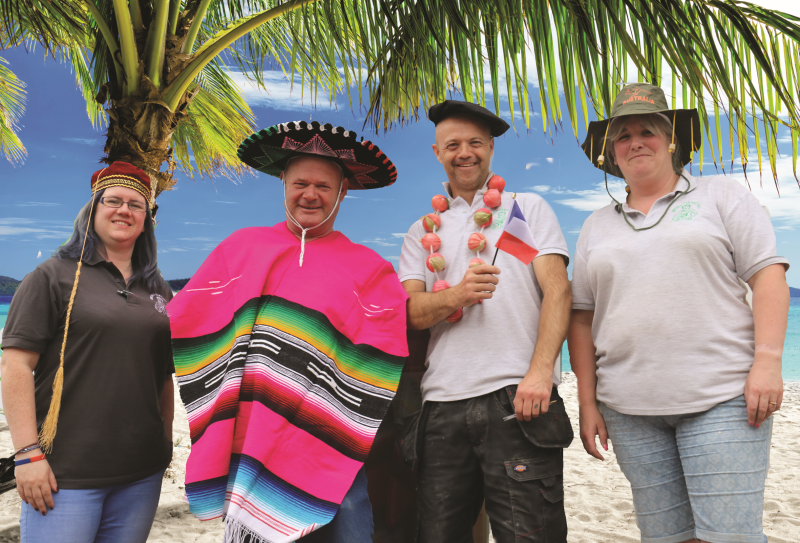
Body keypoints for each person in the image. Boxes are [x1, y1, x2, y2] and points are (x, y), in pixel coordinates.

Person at [569, 83, 790, 543]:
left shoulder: (721, 195)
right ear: (612, 151)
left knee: (730, 536)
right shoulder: (595, 225)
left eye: (647, 130)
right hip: (628, 409)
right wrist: (588, 402)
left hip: (723, 398)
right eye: (623, 135)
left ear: (671, 140)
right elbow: (583, 317)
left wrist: (768, 361)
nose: (635, 142)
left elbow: (767, 276)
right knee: (665, 538)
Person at [168, 121, 408, 543]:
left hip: (328, 441)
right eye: (300, 183)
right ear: (283, 183)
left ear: (342, 192)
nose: (310, 194)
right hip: (250, 433)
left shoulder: (370, 270)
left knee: (350, 527)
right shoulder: (241, 249)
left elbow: (382, 351)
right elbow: (188, 318)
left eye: (323, 186)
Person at [398, 100, 573, 542]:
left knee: (531, 534)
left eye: (475, 142)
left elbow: (558, 291)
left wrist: (539, 374)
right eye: (452, 144)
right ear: (437, 152)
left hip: (517, 396)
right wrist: (456, 294)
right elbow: (412, 314)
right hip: (441, 403)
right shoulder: (422, 231)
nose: (465, 152)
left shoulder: (524, 209)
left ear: (491, 148)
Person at [0, 162, 174, 543]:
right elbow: (15, 366)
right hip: (65, 473)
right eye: (113, 201)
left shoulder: (158, 287)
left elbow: (163, 373)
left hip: (142, 472)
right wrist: (27, 453)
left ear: (147, 219)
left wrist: (163, 446)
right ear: (92, 211)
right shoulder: (52, 276)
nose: (124, 210)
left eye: (136, 204)